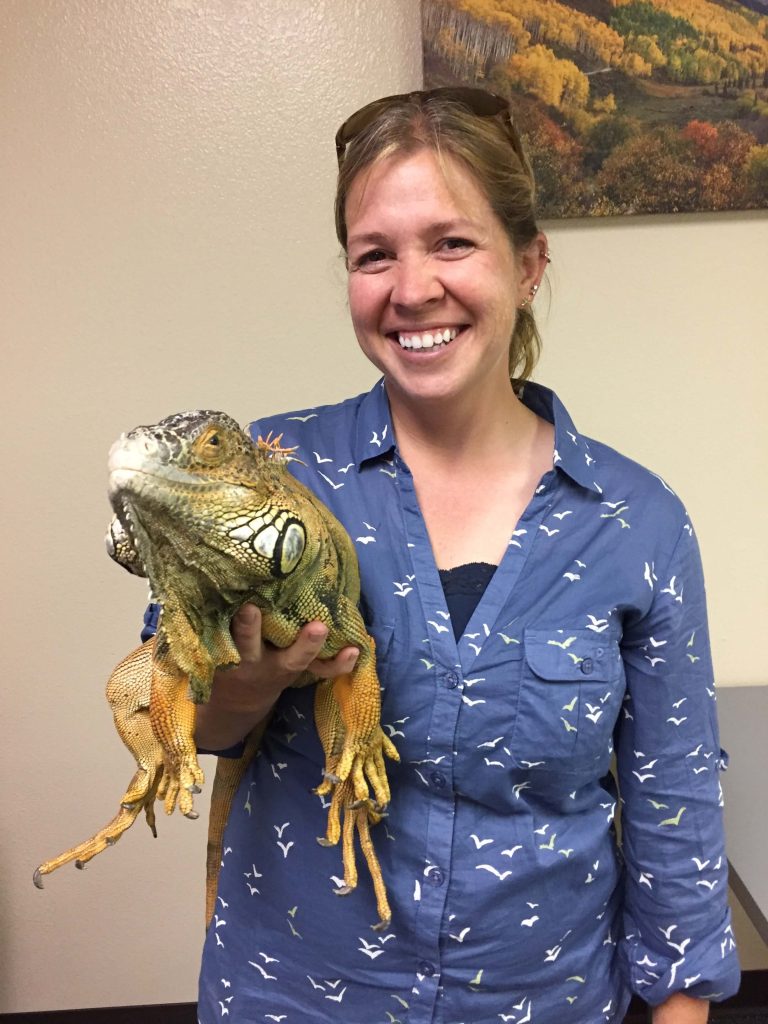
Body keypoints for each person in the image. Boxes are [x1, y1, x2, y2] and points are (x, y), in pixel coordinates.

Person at [146, 88, 740, 1023]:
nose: (411, 288)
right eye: (373, 255)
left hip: (546, 999)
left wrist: (680, 1005)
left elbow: (676, 807)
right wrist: (251, 683)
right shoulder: (267, 474)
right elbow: (180, 718)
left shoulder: (637, 524)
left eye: (452, 243)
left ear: (530, 261)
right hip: (294, 996)